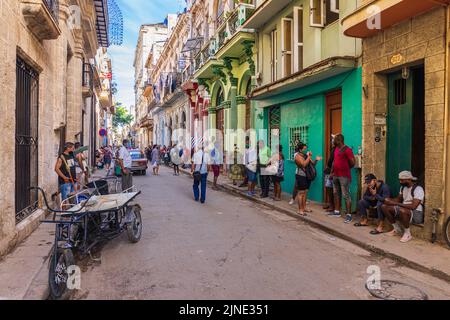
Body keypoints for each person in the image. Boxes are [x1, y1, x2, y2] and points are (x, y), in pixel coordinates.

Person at [381, 171, 425, 243]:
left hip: (416, 214)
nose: (400, 181)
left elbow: (413, 206)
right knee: (384, 207)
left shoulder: (418, 189)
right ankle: (396, 229)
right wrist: (389, 200)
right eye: (400, 180)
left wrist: (395, 203)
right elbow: (398, 199)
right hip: (404, 209)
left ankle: (407, 233)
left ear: (408, 179)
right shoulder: (403, 188)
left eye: (402, 180)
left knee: (402, 210)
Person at [329, 134, 355, 223]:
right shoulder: (336, 149)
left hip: (344, 176)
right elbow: (334, 161)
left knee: (346, 195)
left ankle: (349, 215)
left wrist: (345, 168)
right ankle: (337, 212)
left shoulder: (347, 150)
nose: (333, 141)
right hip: (335, 175)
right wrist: (332, 172)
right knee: (336, 193)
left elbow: (353, 162)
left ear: (339, 140)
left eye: (334, 140)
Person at [294, 142, 321, 216]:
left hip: (307, 176)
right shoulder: (297, 156)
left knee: (305, 192)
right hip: (301, 176)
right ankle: (300, 210)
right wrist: (309, 156)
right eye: (304, 149)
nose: (306, 150)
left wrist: (316, 159)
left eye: (306, 148)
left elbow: (312, 164)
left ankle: (304, 207)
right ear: (300, 149)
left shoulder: (306, 155)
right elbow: (303, 164)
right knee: (301, 193)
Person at [323, 136, 336, 212]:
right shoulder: (333, 149)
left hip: (333, 172)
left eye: (333, 140)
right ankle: (330, 204)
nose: (331, 142)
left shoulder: (337, 150)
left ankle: (333, 206)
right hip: (329, 171)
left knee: (332, 189)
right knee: (328, 188)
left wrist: (331, 171)